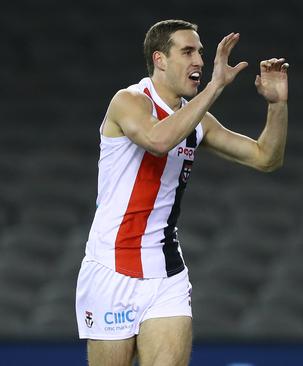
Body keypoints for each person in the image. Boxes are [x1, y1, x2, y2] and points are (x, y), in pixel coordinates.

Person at [75, 19, 289, 366]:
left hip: (165, 270)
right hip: (111, 266)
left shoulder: (197, 121)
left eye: (201, 54)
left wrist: (277, 104)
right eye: (188, 51)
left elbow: (266, 158)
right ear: (159, 59)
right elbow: (157, 141)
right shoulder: (129, 101)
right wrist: (216, 86)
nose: (200, 62)